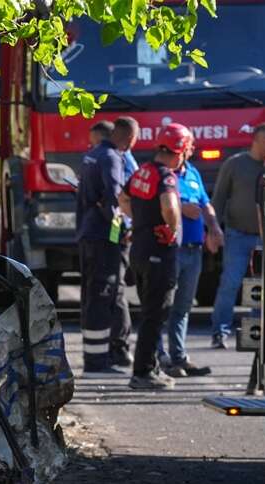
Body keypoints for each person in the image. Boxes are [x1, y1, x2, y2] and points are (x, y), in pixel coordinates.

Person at [122, 123, 192, 390]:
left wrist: (139, 220)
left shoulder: (143, 171)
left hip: (139, 250)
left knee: (148, 313)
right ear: (180, 150)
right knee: (156, 314)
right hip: (159, 255)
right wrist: (172, 229)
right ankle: (142, 373)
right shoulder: (166, 177)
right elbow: (170, 205)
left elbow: (123, 198)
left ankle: (149, 367)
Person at [157, 133, 223, 377]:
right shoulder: (162, 174)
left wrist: (214, 227)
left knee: (183, 307)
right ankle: (159, 357)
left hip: (194, 250)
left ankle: (179, 357)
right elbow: (151, 204)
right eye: (189, 145)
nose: (193, 149)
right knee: (163, 306)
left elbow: (205, 203)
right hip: (171, 250)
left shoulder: (192, 172)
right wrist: (181, 208)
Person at [208, 123, 265, 347]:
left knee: (260, 288)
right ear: (256, 140)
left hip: (263, 238)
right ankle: (220, 332)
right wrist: (213, 229)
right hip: (237, 234)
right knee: (230, 283)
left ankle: (255, 335)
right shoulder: (235, 164)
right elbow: (218, 197)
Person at [75, 121, 127, 373]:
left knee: (91, 294)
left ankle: (95, 355)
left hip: (87, 233)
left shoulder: (90, 156)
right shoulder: (110, 158)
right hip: (104, 236)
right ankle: (98, 361)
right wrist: (120, 233)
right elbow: (114, 200)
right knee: (103, 294)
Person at [108, 116, 140, 365]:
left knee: (117, 289)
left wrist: (119, 232)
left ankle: (120, 346)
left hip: (119, 231)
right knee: (116, 289)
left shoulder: (120, 159)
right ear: (131, 138)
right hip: (120, 231)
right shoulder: (121, 158)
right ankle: (118, 344)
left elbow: (121, 200)